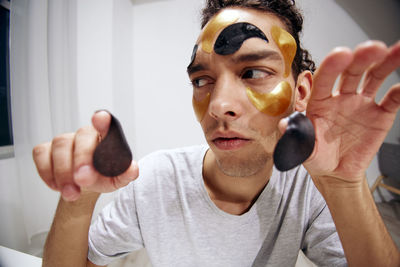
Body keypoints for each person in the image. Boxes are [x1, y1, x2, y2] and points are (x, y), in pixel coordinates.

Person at [32, 0, 400, 266]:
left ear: (301, 92)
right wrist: (77, 202)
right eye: (202, 79)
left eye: (253, 72)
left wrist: (344, 187)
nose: (217, 104)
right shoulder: (155, 181)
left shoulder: (311, 188)